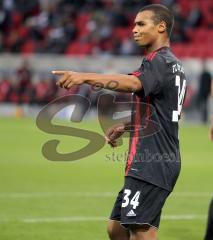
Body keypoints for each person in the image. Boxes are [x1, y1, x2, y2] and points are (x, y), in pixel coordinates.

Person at [52, 4, 187, 240]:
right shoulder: (171, 64)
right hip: (156, 160)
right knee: (116, 228)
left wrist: (84, 77)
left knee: (140, 233)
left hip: (151, 164)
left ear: (161, 27)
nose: (134, 29)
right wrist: (125, 127)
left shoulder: (158, 61)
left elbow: (132, 84)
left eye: (141, 24)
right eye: (134, 24)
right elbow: (161, 113)